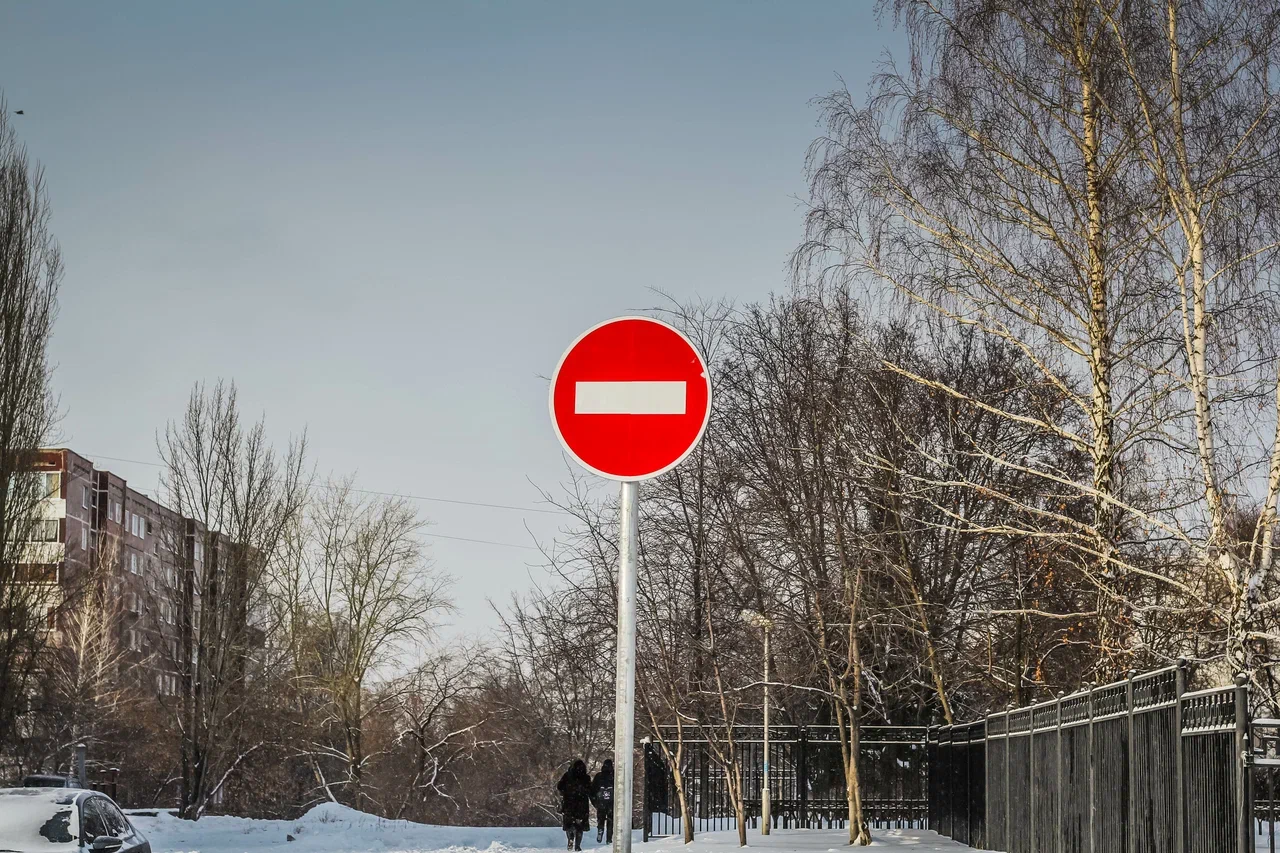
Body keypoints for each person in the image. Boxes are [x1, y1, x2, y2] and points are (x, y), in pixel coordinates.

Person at [557, 759, 592, 851]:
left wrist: (565, 792)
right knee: (579, 825)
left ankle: (570, 838)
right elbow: (590, 790)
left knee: (569, 824)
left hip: (569, 803)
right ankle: (577, 846)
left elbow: (559, 786)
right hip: (581, 804)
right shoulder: (586, 777)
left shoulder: (567, 776)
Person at [590, 759, 615, 844]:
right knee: (610, 820)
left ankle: (600, 829)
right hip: (612, 803)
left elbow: (592, 790)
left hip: (601, 802)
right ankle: (609, 838)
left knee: (601, 819)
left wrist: (595, 803)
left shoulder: (598, 776)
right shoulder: (615, 776)